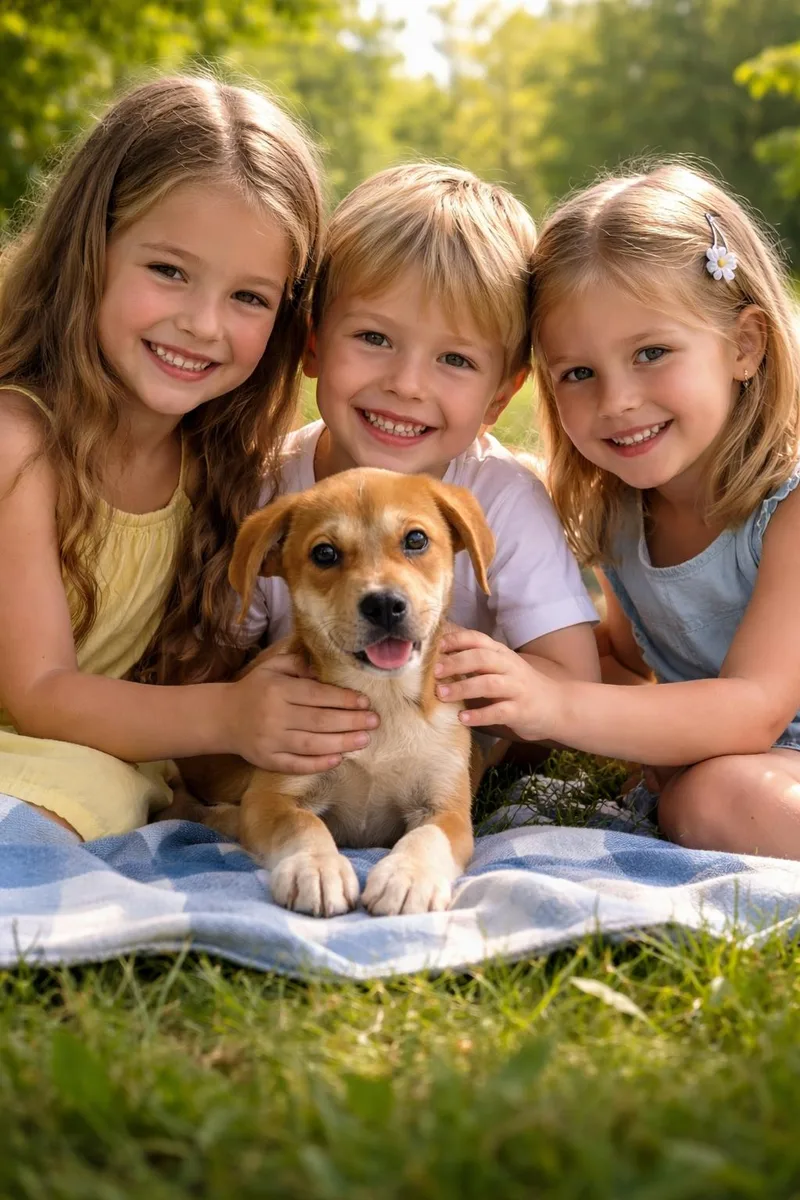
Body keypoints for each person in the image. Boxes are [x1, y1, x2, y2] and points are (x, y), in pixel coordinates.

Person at [0, 73, 378, 841]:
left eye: (249, 297)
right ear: (89, 251)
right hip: (42, 738)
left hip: (81, 753)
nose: (202, 324)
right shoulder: (19, 443)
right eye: (168, 271)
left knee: (111, 790)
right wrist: (227, 717)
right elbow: (39, 690)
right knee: (88, 796)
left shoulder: (220, 465)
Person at [435, 162, 800, 858]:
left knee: (710, 799)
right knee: (700, 789)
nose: (617, 400)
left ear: (744, 346)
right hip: (764, 767)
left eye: (652, 353)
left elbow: (754, 707)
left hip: (757, 761)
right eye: (579, 373)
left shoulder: (789, 505)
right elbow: (626, 658)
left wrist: (557, 704)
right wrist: (503, 683)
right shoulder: (627, 515)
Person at [238, 163, 600, 724]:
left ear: (499, 399)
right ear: (312, 346)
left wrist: (481, 679)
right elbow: (218, 666)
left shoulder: (505, 498)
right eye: (374, 337)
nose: (406, 385)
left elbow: (573, 679)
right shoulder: (269, 488)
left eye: (454, 359)